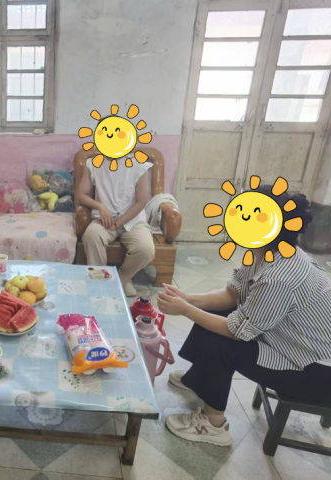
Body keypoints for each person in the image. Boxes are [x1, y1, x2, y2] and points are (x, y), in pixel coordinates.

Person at [158, 185, 331, 446]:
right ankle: (199, 377)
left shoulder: (279, 277)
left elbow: (236, 332)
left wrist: (185, 310)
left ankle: (214, 425)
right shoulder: (265, 252)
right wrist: (188, 299)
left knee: (222, 344)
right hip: (292, 345)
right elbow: (233, 294)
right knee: (213, 312)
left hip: (315, 372)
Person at [77, 148, 155, 296]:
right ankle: (99, 281)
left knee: (146, 249)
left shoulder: (139, 164)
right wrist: (100, 206)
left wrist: (118, 223)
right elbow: (81, 195)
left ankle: (122, 279)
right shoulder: (94, 163)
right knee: (91, 236)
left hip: (133, 220)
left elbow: (141, 201)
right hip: (104, 220)